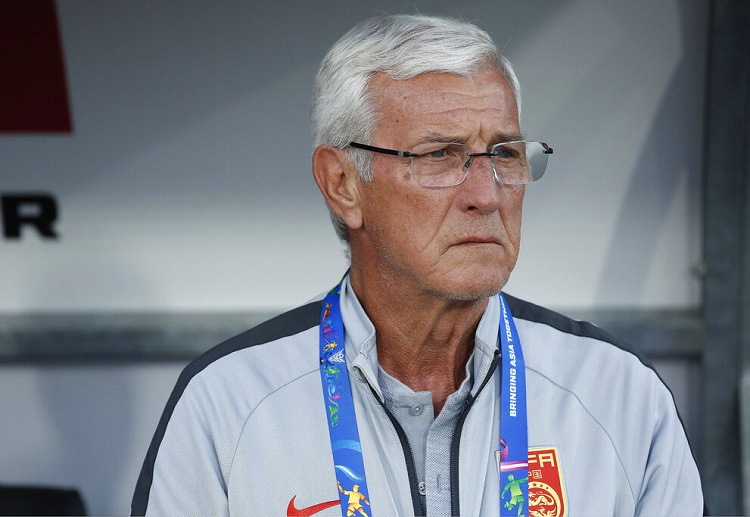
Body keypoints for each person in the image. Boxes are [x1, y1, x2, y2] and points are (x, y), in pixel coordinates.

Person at [132, 14, 703, 516]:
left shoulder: (620, 395)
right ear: (343, 185)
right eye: (439, 156)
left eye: (504, 153)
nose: (487, 193)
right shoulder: (226, 406)